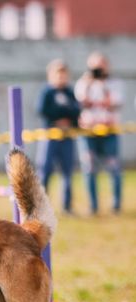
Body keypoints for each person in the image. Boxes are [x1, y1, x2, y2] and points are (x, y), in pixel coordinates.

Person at [75, 52, 124, 214]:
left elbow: (113, 103)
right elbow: (81, 103)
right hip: (88, 132)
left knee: (114, 168)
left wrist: (102, 85)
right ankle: (93, 206)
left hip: (109, 132)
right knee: (89, 169)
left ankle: (116, 206)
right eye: (95, 66)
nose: (98, 69)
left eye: (101, 65)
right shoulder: (83, 83)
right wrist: (89, 84)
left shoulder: (115, 83)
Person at [36, 60, 80, 214]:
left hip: (67, 136)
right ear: (51, 76)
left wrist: (68, 120)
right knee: (45, 170)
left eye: (64, 75)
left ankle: (67, 206)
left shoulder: (69, 92)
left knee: (67, 172)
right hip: (50, 136)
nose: (61, 78)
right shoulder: (47, 92)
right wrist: (58, 119)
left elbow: (76, 110)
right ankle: (41, 207)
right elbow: (43, 110)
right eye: (58, 75)